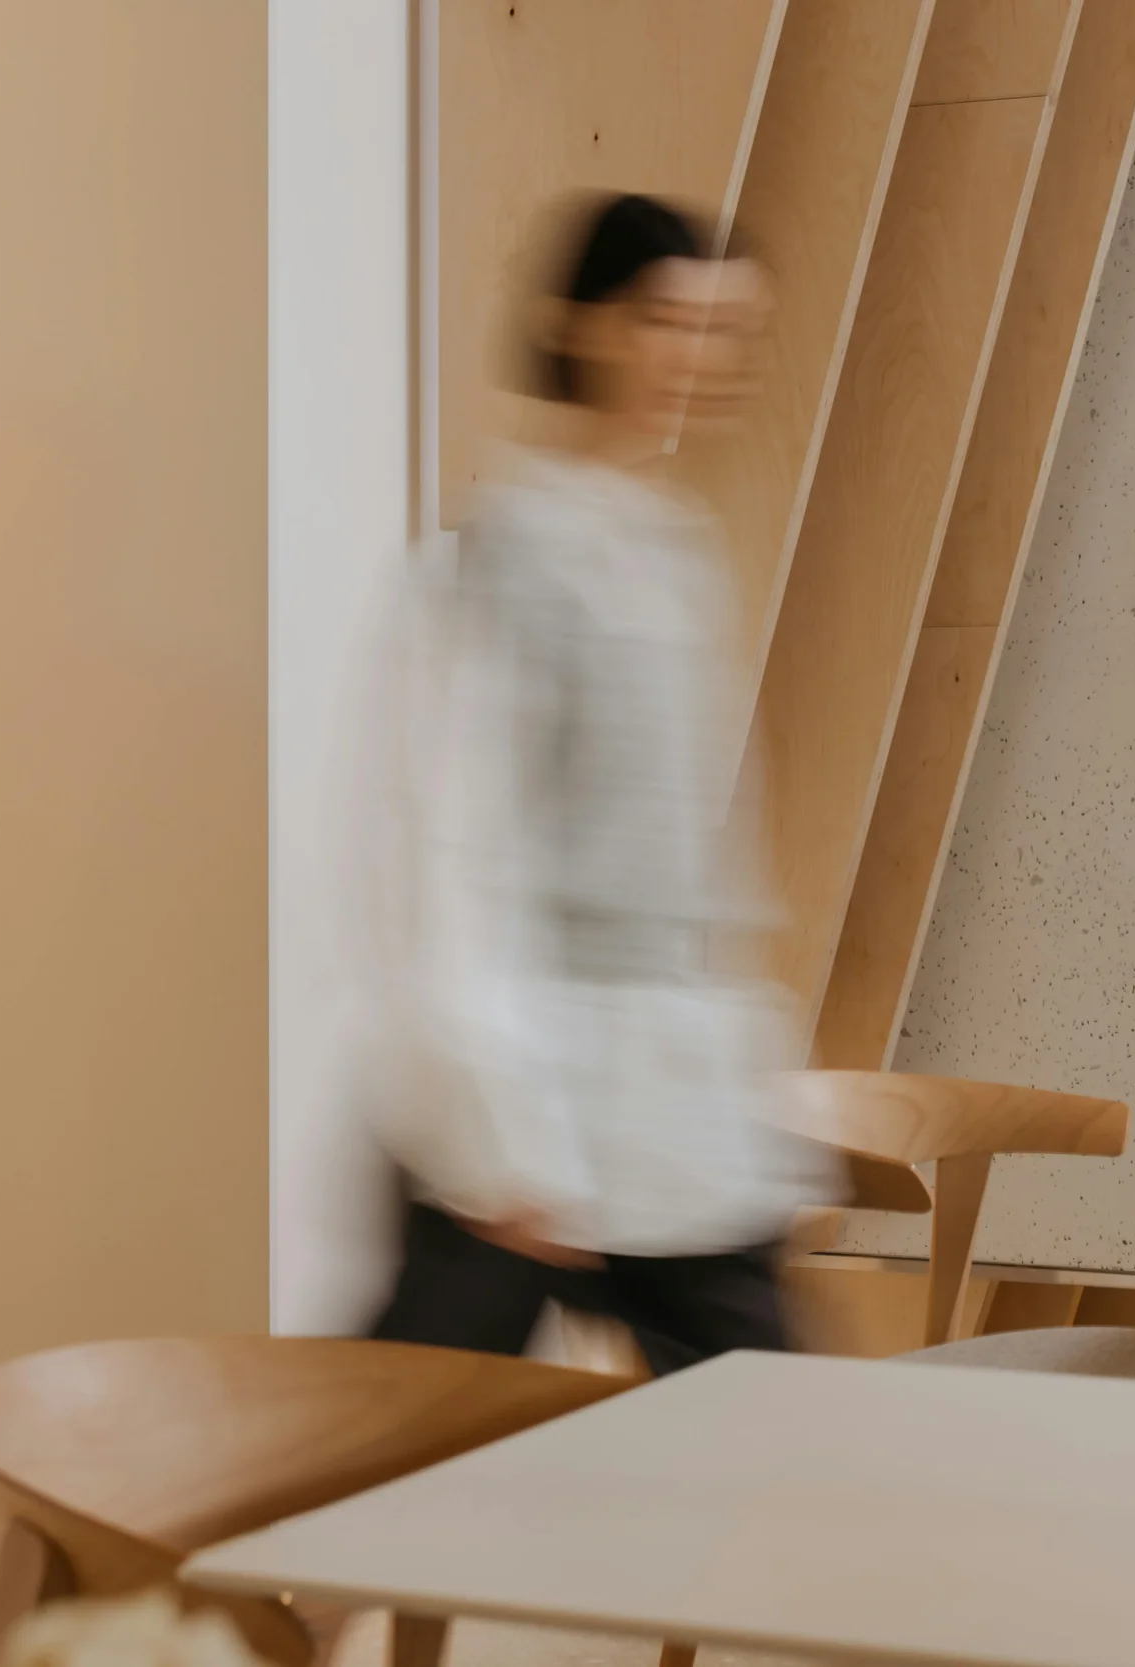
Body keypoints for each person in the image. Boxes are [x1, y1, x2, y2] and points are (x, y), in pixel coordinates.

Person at [357, 193, 829, 1375]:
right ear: (577, 325)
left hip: (670, 1117)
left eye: (729, 332)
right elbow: (446, 851)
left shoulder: (675, 552)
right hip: (530, 1108)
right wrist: (494, 1135)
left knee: (761, 1425)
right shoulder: (496, 556)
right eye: (668, 321)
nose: (699, 359)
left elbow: (699, 869)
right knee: (391, 1449)